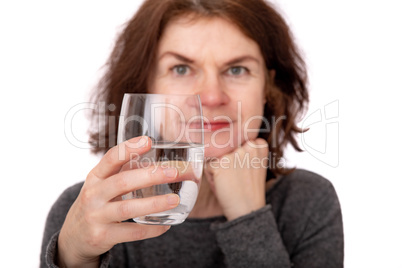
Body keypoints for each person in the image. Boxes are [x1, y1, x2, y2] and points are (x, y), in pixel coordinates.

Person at [40, 0, 344, 267]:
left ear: (267, 87)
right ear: (146, 86)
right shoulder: (86, 213)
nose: (211, 97)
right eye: (181, 69)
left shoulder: (309, 203)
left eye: (237, 69)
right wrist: (75, 262)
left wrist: (248, 219)